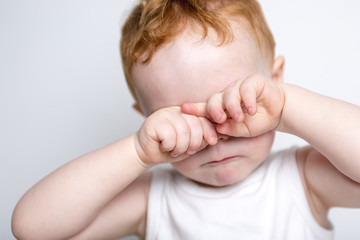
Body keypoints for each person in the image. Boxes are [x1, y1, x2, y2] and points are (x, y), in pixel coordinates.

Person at [11, 0, 360, 239]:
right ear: (147, 118)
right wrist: (136, 151)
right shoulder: (153, 199)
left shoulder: (301, 179)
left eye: (237, 105)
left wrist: (287, 107)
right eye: (183, 118)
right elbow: (31, 228)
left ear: (276, 80)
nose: (216, 135)